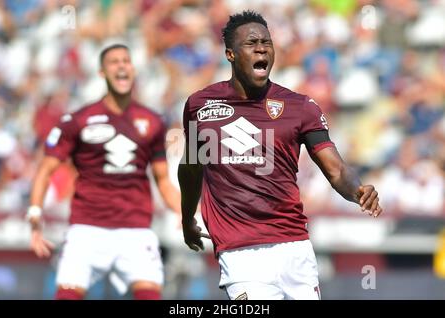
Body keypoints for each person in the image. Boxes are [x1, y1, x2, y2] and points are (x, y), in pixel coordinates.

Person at [178, 11, 382, 300]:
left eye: (267, 42)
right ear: (230, 54)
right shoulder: (201, 105)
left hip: (295, 249)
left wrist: (357, 190)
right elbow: (191, 167)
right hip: (240, 253)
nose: (261, 48)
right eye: (251, 43)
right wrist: (187, 218)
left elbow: (335, 169)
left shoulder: (300, 106)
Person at [27, 44, 180, 300]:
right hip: (87, 228)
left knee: (150, 295)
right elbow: (45, 169)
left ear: (133, 69)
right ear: (101, 72)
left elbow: (163, 179)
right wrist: (34, 213)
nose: (121, 66)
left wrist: (183, 212)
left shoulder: (153, 121)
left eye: (126, 61)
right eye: (114, 62)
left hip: (136, 229)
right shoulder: (79, 120)